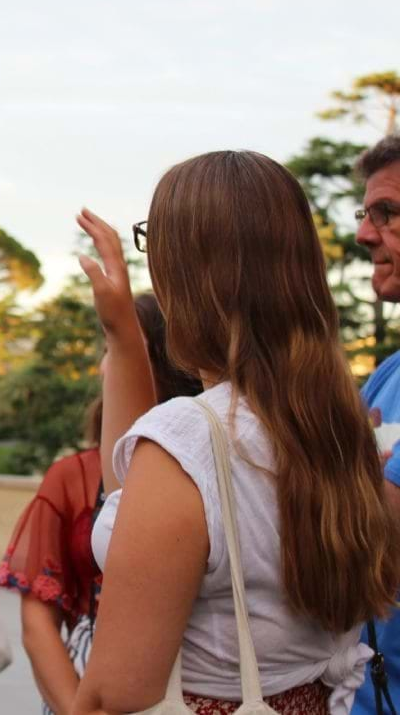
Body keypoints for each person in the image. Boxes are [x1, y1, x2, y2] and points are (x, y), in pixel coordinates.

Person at [72, 151, 400, 715]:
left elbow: (110, 699)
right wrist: (124, 332)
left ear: (186, 270)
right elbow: (136, 502)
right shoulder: (337, 428)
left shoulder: (189, 441)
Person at [0, 294, 202, 715]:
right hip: (86, 686)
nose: (107, 364)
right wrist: (78, 709)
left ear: (166, 361)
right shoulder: (71, 478)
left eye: (122, 346)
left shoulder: (206, 465)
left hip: (192, 685)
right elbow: (38, 622)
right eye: (109, 347)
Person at [350, 135, 400, 715]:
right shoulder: (389, 373)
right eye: (365, 213)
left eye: (387, 213)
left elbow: (353, 551)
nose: (365, 234)